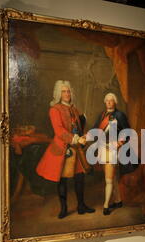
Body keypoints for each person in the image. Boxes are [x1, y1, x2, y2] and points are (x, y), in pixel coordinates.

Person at [36, 80, 95, 219]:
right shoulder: (55, 109)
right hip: (63, 148)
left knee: (80, 178)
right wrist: (75, 139)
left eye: (68, 91)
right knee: (62, 180)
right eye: (63, 91)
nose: (67, 93)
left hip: (77, 148)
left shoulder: (75, 109)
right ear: (58, 94)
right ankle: (64, 209)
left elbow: (80, 127)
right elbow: (59, 131)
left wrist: (84, 135)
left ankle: (81, 205)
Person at [92, 93, 137, 215]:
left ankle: (106, 205)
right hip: (103, 148)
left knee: (108, 179)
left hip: (113, 150)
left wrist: (120, 142)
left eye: (111, 101)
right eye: (107, 101)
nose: (109, 103)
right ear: (105, 102)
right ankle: (118, 200)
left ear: (115, 102)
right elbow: (95, 129)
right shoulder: (102, 116)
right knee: (113, 177)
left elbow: (128, 132)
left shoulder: (120, 115)